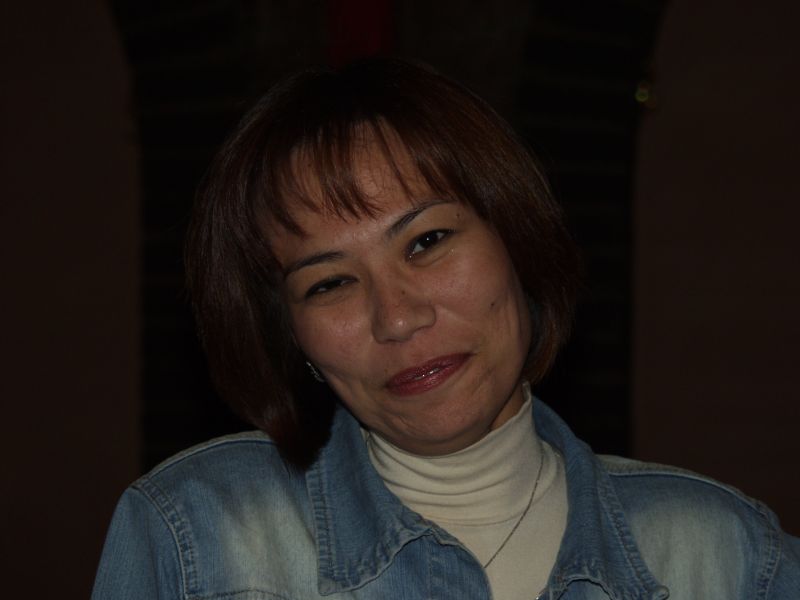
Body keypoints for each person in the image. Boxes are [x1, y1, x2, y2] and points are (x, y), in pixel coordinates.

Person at [92, 58, 800, 599]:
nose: (398, 317)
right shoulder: (194, 532)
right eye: (329, 283)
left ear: (517, 242)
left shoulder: (725, 555)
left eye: (427, 242)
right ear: (293, 338)